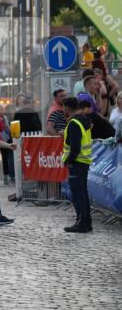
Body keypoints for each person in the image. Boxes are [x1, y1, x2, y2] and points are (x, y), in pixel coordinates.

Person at [62, 95, 93, 233]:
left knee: (77, 194)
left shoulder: (74, 123)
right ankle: (86, 222)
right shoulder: (82, 121)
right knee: (83, 193)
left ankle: (81, 222)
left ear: (67, 108)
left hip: (77, 163)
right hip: (84, 162)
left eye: (64, 108)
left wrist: (69, 161)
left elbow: (75, 147)